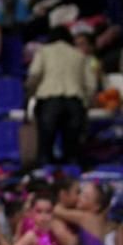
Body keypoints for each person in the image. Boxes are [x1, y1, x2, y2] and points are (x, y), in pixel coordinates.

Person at [27, 27, 97, 166]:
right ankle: (71, 182)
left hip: (49, 101)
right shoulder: (79, 54)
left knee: (45, 152)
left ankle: (46, 180)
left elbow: (34, 74)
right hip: (74, 103)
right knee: (71, 154)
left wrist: (31, 93)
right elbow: (91, 85)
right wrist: (86, 103)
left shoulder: (44, 51)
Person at [52, 181, 116, 245]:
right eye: (81, 193)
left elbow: (57, 211)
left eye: (86, 197)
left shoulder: (86, 217)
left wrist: (63, 198)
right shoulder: (95, 219)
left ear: (96, 207)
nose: (79, 198)